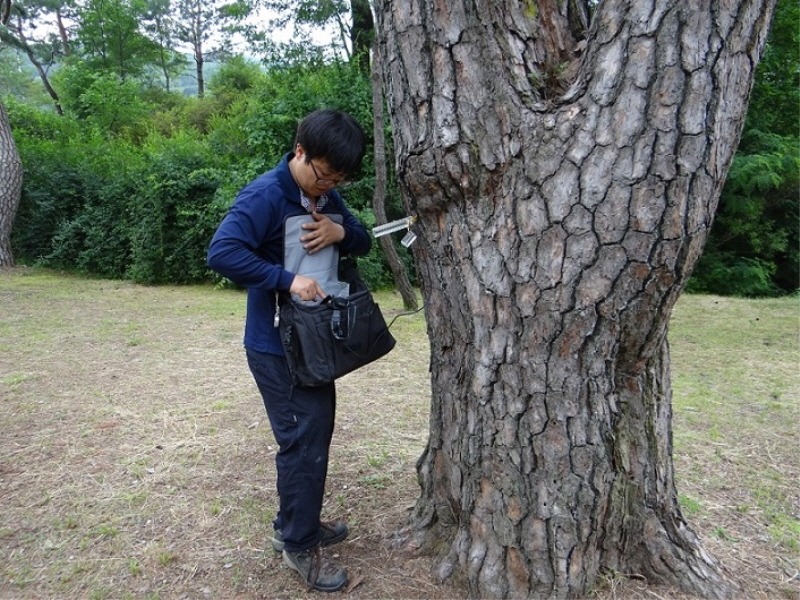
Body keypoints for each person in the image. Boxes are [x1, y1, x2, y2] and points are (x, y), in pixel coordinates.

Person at [207, 109, 371, 593]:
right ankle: (299, 545)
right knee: (303, 439)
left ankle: (293, 523)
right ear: (300, 152)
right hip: (275, 346)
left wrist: (340, 233)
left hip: (312, 342)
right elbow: (222, 251)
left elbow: (358, 236)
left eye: (339, 178)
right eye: (325, 173)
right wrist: (286, 279)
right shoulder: (265, 195)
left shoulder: (323, 192)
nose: (330, 185)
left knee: (312, 434)